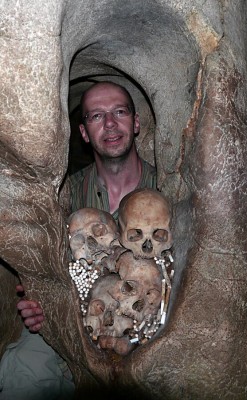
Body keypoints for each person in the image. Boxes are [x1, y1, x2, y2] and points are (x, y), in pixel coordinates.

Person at [0, 81, 157, 399]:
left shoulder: (166, 191)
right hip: (74, 319)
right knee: (23, 372)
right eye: (96, 116)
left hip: (144, 324)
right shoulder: (63, 197)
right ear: (84, 133)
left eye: (119, 112)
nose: (110, 124)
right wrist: (40, 301)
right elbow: (46, 275)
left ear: (136, 122)